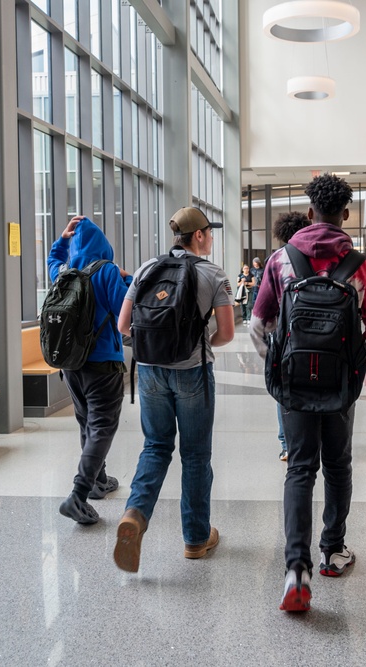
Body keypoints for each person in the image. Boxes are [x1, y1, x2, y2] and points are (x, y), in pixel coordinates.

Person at [251, 174, 366, 612]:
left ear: (309, 213)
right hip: (339, 387)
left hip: (293, 384)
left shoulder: (281, 259)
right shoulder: (363, 265)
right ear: (345, 215)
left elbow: (259, 325)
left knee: (300, 469)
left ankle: (296, 568)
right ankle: (332, 551)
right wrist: (351, 367)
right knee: (338, 465)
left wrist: (279, 365)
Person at [113, 207, 235, 572]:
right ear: (197, 236)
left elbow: (123, 326)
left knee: (156, 446)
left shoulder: (148, 268)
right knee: (195, 455)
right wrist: (199, 346)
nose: (210, 238)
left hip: (149, 372)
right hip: (193, 373)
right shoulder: (212, 273)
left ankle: (135, 513)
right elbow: (227, 333)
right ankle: (196, 539)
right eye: (209, 233)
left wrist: (157, 350)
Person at [48, 215, 131, 525]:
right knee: (102, 426)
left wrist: (63, 238)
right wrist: (127, 277)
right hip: (102, 363)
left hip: (70, 365)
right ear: (103, 244)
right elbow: (127, 308)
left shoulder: (64, 274)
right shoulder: (107, 272)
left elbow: (52, 259)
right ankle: (78, 494)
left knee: (86, 422)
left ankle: (99, 479)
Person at [270, 211, 312, 462]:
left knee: (284, 393)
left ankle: (286, 444)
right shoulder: (316, 258)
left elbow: (262, 316)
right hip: (317, 339)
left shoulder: (277, 261)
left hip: (286, 340)